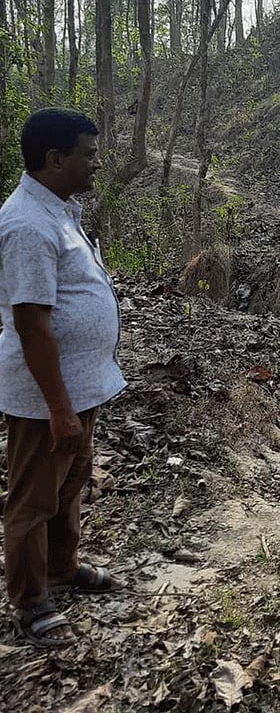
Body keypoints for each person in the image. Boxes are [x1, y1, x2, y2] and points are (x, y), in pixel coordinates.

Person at [0, 108, 127, 648]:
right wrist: (57, 408)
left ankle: (61, 567)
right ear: (55, 160)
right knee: (32, 499)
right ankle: (30, 601)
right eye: (89, 155)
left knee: (71, 481)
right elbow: (30, 322)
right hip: (45, 395)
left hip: (79, 385)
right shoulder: (27, 224)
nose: (96, 165)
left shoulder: (59, 209)